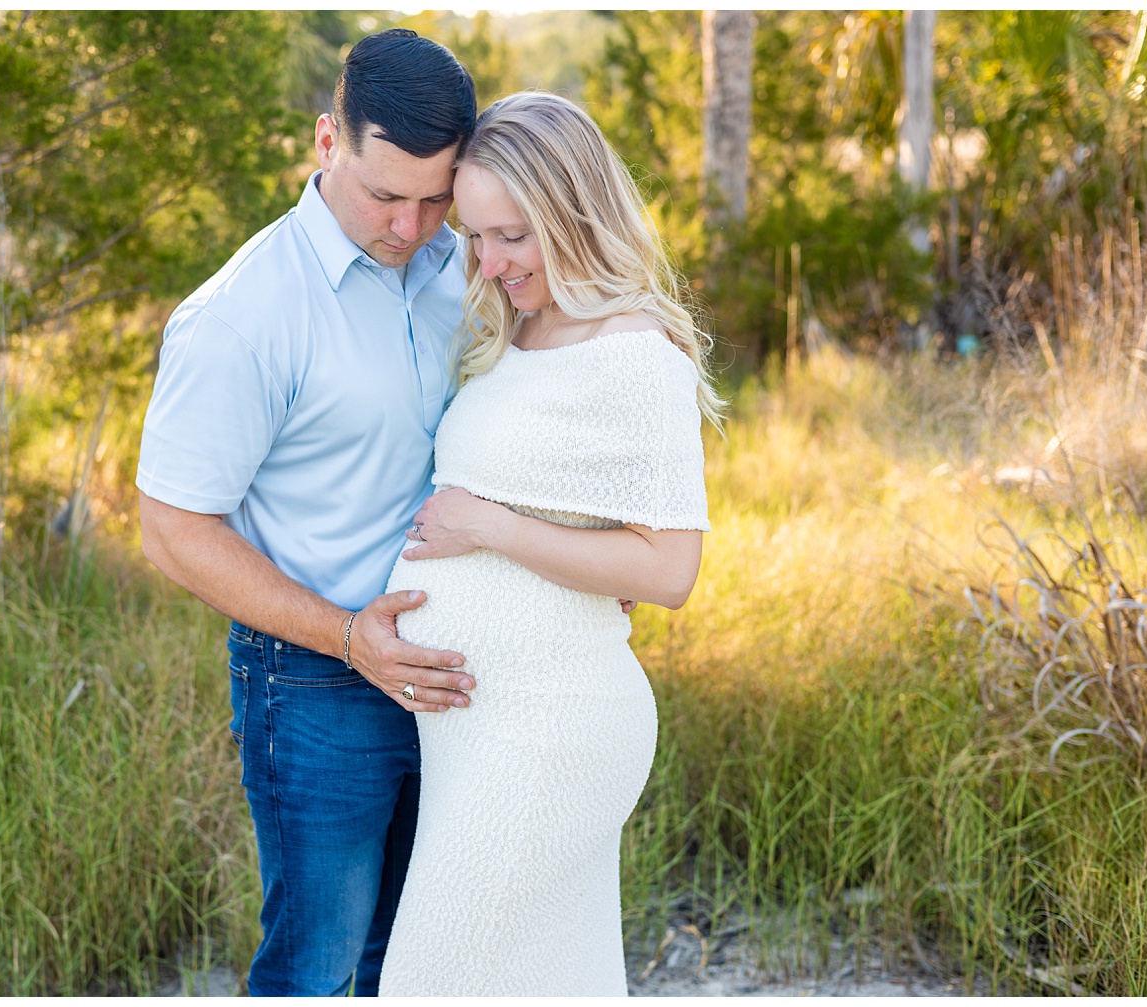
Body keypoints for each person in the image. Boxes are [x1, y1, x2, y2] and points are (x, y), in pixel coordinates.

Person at [135, 30, 479, 997]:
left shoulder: (469, 266)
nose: (411, 226)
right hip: (315, 684)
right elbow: (172, 528)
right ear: (327, 140)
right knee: (317, 969)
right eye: (385, 194)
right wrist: (346, 635)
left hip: (463, 675)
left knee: (419, 962)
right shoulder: (244, 313)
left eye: (434, 196)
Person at [375, 91, 725, 996]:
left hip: (550, 726)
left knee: (432, 978)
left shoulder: (635, 352)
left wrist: (489, 526)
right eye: (478, 235)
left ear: (574, 212)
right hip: (479, 728)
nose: (488, 262)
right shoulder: (520, 325)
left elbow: (670, 568)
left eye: (514, 236)